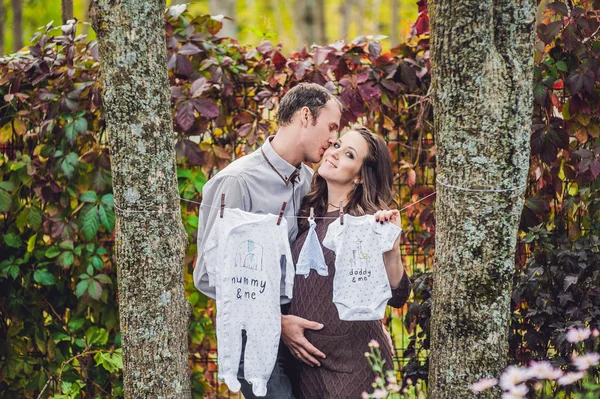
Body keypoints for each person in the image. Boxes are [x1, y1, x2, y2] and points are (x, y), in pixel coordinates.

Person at [193, 82, 342, 399]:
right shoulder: (236, 182)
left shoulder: (308, 181)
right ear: (305, 116)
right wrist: (276, 321)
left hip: (299, 332)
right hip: (253, 339)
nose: (334, 139)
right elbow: (208, 275)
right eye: (331, 127)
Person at [286, 125, 412, 398]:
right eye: (336, 146)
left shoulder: (366, 224)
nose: (334, 154)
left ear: (360, 178)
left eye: (349, 154)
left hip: (354, 365)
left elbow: (398, 296)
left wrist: (391, 250)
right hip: (307, 366)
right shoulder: (308, 214)